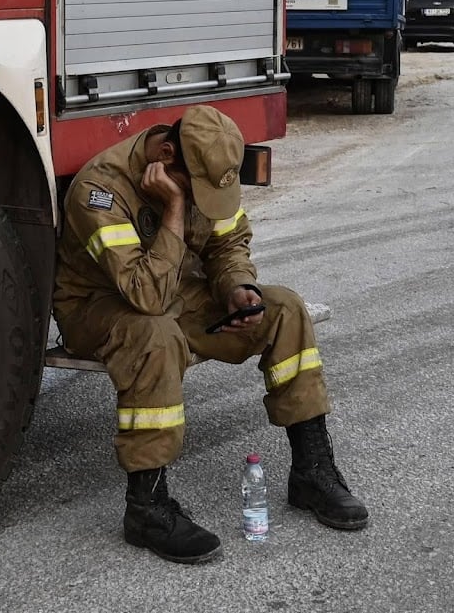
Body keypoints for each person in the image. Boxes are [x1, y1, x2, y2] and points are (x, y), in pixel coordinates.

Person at [52, 105, 367, 564]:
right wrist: (176, 209)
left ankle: (312, 471)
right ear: (165, 155)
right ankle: (147, 509)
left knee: (284, 308)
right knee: (155, 334)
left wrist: (238, 288)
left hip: (170, 291)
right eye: (192, 192)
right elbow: (146, 295)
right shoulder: (100, 190)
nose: (200, 201)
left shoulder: (204, 168)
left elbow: (228, 244)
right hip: (99, 307)